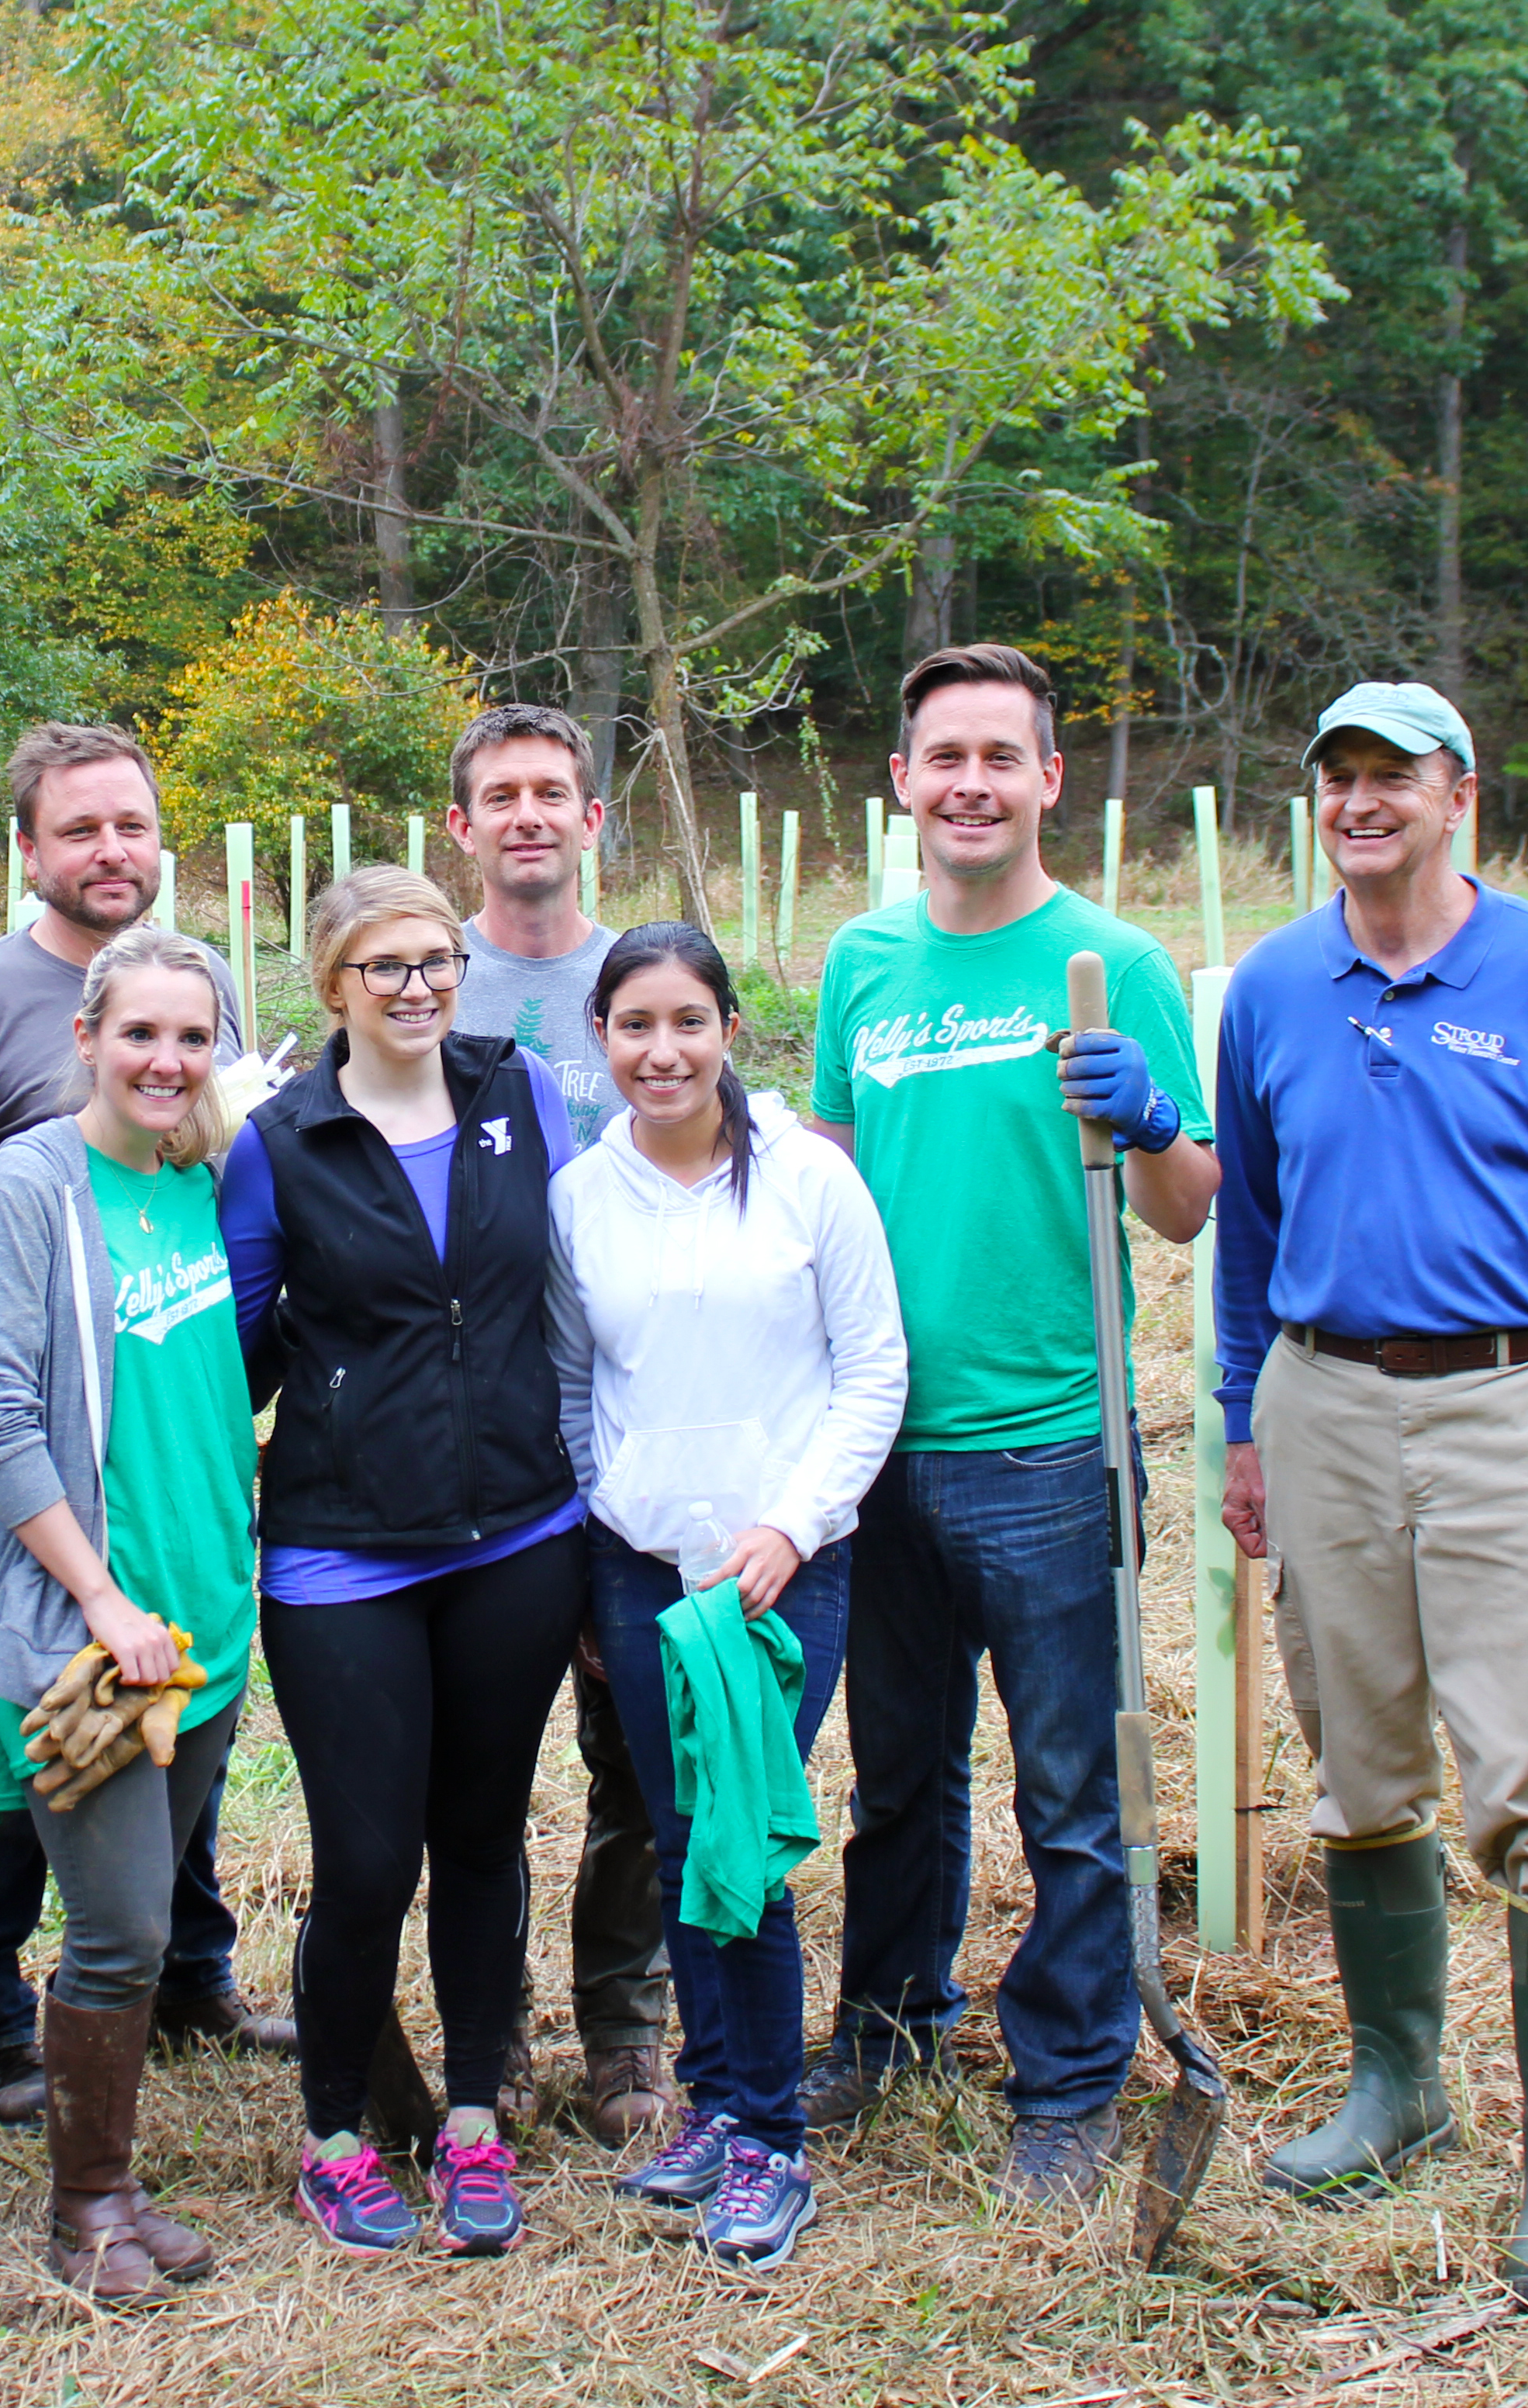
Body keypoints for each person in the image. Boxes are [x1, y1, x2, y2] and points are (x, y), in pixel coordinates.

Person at [1214, 683, 1528, 2309]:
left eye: (1391, 777)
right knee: (1359, 1759)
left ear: (1455, 792)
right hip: (1325, 1397)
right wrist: (1242, 1423)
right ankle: (1399, 2083)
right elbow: (1250, 1233)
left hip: (1516, 1397)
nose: (1360, 801)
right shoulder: (1275, 985)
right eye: (1336, 776)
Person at [800, 643, 1219, 2206]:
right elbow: (830, 1187)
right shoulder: (864, 963)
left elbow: (1185, 1214)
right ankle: (891, 2021)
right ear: (902, 781)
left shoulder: (1113, 963)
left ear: (1052, 780)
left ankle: (1071, 2077)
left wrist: (1155, 1121)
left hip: (1054, 1443)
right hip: (883, 1448)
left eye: (1002, 755)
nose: (971, 781)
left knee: (1073, 1787)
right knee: (898, 1775)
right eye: (943, 755)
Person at [221, 864, 586, 2258]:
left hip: (520, 1535)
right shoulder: (280, 1140)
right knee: (367, 1859)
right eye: (388, 967)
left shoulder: (522, 1096)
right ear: (334, 987)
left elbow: (570, 1291)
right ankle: (335, 2131)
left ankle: (479, 2121)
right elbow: (241, 1350)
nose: (422, 987)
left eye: (438, 960)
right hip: (343, 1553)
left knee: (486, 1842)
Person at [0, 722, 285, 2131]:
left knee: (156, 1816)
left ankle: (177, 1984)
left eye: (132, 826)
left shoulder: (200, 1052)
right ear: (29, 849)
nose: (110, 851)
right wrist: (79, 1572)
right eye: (79, 830)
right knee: (19, 1786)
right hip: (56, 1496)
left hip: (194, 1526)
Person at [547, 921, 907, 2267]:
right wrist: (608, 1525)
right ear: (602, 1040)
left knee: (736, 1848)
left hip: (779, 1572)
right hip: (645, 1573)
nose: (661, 1050)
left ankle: (769, 2140)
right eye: (634, 1025)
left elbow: (874, 1371)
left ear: (730, 1032)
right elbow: (578, 1385)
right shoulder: (583, 1196)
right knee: (676, 1832)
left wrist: (794, 1524)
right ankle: (714, 2100)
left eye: (687, 1022)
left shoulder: (810, 1183)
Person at [0, 922, 257, 2304]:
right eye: (141, 1033)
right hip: (100, 1637)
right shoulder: (30, 1189)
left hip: (210, 1626)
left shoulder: (201, 1181)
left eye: (193, 1037)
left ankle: (107, 2184)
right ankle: (89, 2205)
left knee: (149, 1910)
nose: (167, 1059)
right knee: (121, 1928)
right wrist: (100, 1598)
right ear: (86, 1041)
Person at [441, 701, 672, 2146]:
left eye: (554, 794)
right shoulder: (416, 980)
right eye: (500, 796)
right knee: (474, 1766)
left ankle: (628, 2035)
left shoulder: (637, 986)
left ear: (594, 823)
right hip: (476, 1439)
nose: (529, 815)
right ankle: (489, 2035)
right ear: (461, 829)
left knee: (636, 1754)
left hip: (639, 1428)